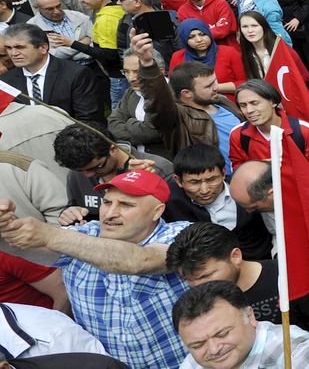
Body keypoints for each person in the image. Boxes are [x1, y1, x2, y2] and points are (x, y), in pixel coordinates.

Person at [0, 171, 193, 368]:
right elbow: (20, 246)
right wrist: (7, 228)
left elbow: (139, 260)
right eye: (107, 203)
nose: (110, 213)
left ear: (157, 211)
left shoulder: (181, 234)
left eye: (126, 205)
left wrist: (49, 235)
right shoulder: (84, 234)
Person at [164, 222, 309, 330]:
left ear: (235, 256)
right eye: (188, 279)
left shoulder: (287, 277)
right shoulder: (203, 301)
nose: (197, 286)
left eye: (205, 276)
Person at [172, 281, 309, 368]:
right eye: (197, 344)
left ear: (250, 316)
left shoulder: (288, 344)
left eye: (222, 334)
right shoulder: (193, 363)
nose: (214, 349)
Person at [136, 31, 244, 164]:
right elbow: (158, 101)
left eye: (214, 81)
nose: (216, 87)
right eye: (208, 86)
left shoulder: (224, 102)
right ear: (186, 93)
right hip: (214, 179)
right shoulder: (179, 119)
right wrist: (147, 64)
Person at [162, 144, 272, 261]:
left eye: (211, 179)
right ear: (178, 181)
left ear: (223, 173)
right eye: (194, 182)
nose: (205, 190)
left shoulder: (248, 189)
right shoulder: (168, 200)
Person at [52, 122, 174, 223]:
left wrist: (143, 184)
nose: (88, 175)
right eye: (79, 170)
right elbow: (75, 206)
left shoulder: (157, 170)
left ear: (113, 149)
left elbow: (174, 223)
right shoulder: (77, 174)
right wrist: (70, 214)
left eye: (96, 167)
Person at [0, 24, 104, 126]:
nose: (13, 53)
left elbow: (89, 121)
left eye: (20, 47)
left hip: (71, 139)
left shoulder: (76, 74)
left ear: (43, 48)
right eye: (9, 48)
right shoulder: (5, 81)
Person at [228, 79, 309, 170]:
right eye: (243, 105)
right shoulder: (238, 134)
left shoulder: (304, 131)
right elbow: (239, 172)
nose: (249, 110)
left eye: (255, 103)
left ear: (273, 102)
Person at [170, 19, 246, 100]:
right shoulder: (177, 57)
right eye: (191, 37)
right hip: (192, 106)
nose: (199, 40)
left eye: (202, 34)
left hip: (227, 103)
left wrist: (212, 87)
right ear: (184, 39)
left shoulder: (229, 52)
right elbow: (174, 87)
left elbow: (245, 83)